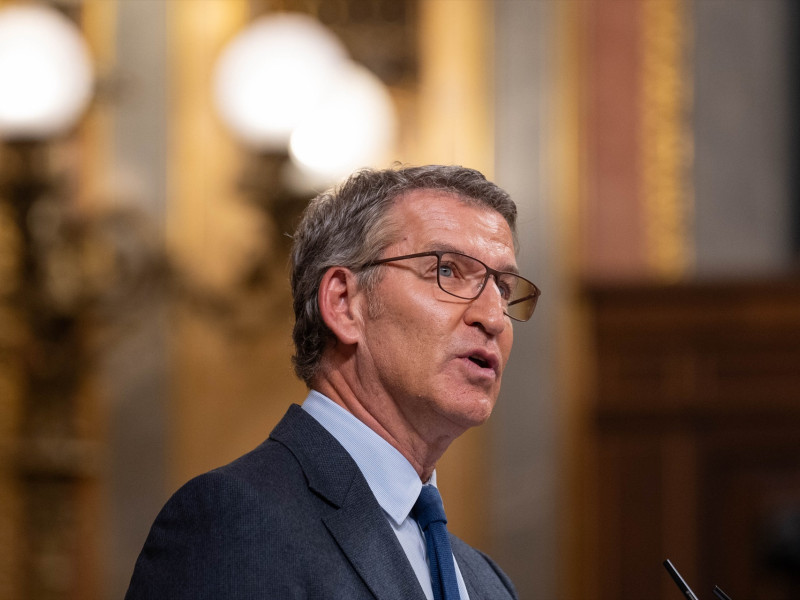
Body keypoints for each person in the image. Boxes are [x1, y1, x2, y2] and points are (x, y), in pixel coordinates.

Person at [125, 165, 540, 599]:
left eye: (504, 288)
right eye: (448, 271)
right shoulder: (235, 521)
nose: (493, 317)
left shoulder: (488, 584)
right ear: (344, 303)